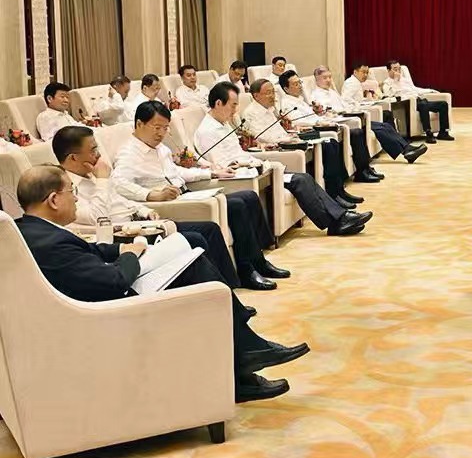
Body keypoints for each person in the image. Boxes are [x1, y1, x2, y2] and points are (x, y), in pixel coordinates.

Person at [14, 164, 309, 403]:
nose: (77, 198)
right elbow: (113, 281)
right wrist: (131, 255)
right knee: (194, 268)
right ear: (54, 199)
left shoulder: (33, 230)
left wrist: (121, 248)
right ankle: (245, 356)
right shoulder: (50, 242)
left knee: (189, 248)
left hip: (93, 298)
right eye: (72, 191)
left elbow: (90, 251)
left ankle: (243, 358)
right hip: (105, 313)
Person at [111, 100, 286, 291]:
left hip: (186, 193)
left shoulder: (161, 149)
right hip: (172, 204)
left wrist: (211, 173)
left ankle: (259, 262)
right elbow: (118, 183)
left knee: (249, 197)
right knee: (236, 205)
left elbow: (177, 172)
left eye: (165, 128)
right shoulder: (129, 153)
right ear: (139, 124)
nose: (161, 133)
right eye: (157, 127)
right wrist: (151, 194)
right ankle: (246, 272)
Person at [52, 125, 242, 290]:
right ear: (73, 158)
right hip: (121, 234)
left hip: (140, 223)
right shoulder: (65, 187)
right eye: (93, 150)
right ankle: (222, 297)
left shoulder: (92, 174)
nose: (99, 155)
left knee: (209, 229)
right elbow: (97, 218)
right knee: (195, 238)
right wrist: (102, 180)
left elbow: (120, 199)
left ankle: (230, 289)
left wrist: (143, 210)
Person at [200, 82, 372, 237]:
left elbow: (238, 153)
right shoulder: (208, 131)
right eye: (233, 105)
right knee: (299, 180)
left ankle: (339, 218)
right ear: (218, 103)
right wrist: (253, 163)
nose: (235, 110)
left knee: (304, 177)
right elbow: (224, 164)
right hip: (243, 175)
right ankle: (337, 221)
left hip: (254, 167)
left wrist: (257, 161)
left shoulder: (223, 124)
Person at [242, 78, 364, 207]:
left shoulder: (269, 109)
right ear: (256, 96)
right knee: (327, 146)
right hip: (279, 147)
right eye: (268, 93)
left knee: (331, 142)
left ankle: (339, 191)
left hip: (290, 140)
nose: (273, 96)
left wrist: (290, 134)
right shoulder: (251, 113)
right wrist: (286, 138)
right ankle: (333, 194)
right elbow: (260, 136)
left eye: (273, 92)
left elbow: (280, 131)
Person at [280, 70, 378, 186]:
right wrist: (318, 121)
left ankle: (363, 170)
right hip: (312, 130)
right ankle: (342, 183)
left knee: (357, 132)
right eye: (296, 84)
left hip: (322, 123)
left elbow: (311, 115)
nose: (300, 86)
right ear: (286, 89)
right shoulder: (287, 103)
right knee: (339, 139)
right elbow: (296, 120)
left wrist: (318, 113)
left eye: (300, 82)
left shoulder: (300, 99)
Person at [312, 66, 427, 164]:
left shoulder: (332, 92)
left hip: (350, 117)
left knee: (385, 126)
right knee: (380, 128)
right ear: (317, 79)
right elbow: (324, 112)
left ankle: (407, 149)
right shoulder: (316, 95)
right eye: (325, 78)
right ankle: (407, 151)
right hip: (343, 121)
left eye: (329, 77)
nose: (328, 80)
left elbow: (344, 104)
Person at [381, 60, 454, 143]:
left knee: (443, 104)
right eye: (395, 69)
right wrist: (396, 81)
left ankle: (443, 133)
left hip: (420, 100)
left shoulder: (404, 80)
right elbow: (389, 95)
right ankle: (428, 133)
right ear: (389, 70)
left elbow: (415, 89)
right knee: (423, 105)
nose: (398, 71)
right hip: (409, 103)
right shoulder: (387, 83)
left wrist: (431, 90)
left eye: (399, 68)